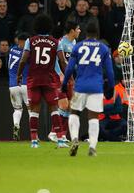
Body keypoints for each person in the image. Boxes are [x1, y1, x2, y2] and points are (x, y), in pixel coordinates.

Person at [62, 23, 115, 157]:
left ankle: (74, 138)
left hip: (80, 86)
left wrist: (64, 84)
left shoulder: (78, 46)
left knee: (74, 112)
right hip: (96, 87)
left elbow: (69, 68)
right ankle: (92, 146)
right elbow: (110, 71)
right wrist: (111, 87)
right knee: (93, 117)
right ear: (97, 34)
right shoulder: (103, 48)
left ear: (86, 34)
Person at [16, 14, 68, 149]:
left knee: (34, 110)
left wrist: (19, 75)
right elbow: (62, 61)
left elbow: (23, 60)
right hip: (49, 79)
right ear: (49, 26)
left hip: (33, 79)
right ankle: (61, 140)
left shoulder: (30, 41)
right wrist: (69, 77)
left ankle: (34, 141)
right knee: (54, 109)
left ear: (36, 26)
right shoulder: (57, 42)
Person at [48, 21, 81, 143]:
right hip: (59, 78)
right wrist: (60, 74)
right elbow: (55, 60)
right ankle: (53, 132)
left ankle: (62, 134)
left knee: (70, 107)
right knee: (64, 105)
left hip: (70, 78)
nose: (79, 31)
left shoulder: (74, 42)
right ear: (72, 30)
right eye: (78, 29)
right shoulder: (61, 42)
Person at [8, 33, 29, 140]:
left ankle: (16, 125)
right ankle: (34, 135)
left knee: (17, 109)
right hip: (25, 84)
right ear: (24, 41)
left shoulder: (12, 50)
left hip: (12, 85)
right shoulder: (27, 53)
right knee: (31, 110)